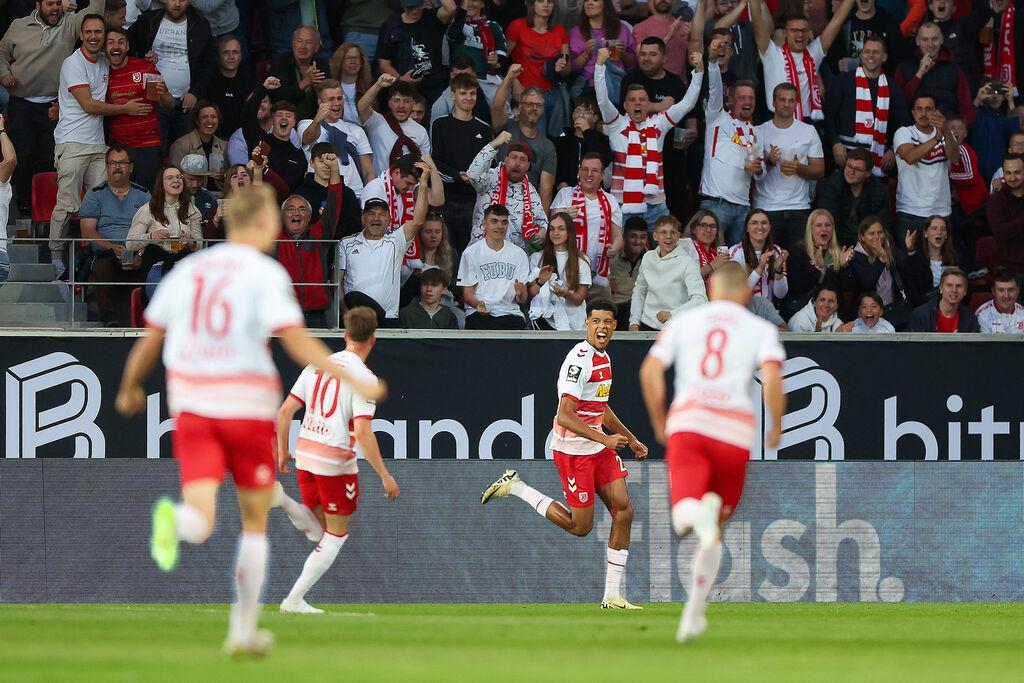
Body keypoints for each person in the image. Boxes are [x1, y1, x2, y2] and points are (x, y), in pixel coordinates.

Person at [114, 183, 386, 657]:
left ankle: (174, 522)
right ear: (262, 223)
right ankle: (242, 632)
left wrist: (129, 386)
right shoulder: (265, 273)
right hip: (245, 407)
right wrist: (357, 381)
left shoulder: (189, 270)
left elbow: (151, 338)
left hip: (195, 408)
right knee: (253, 522)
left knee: (202, 519)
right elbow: (296, 341)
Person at [639, 261, 785, 642]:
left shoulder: (685, 322)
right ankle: (694, 613)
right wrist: (776, 427)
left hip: (690, 423)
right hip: (734, 432)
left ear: (711, 287)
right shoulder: (761, 328)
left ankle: (693, 512)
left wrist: (659, 421)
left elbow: (650, 372)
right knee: (714, 529)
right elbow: (772, 379)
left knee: (682, 516)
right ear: (747, 293)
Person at [482, 299, 649, 609]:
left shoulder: (604, 357)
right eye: (596, 321)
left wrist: (630, 438)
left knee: (624, 511)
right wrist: (604, 438)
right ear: (587, 323)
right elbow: (565, 415)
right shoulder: (580, 361)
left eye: (607, 322)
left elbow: (600, 407)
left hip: (598, 449)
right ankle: (515, 486)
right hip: (574, 453)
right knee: (580, 527)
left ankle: (612, 596)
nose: (602, 326)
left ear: (614, 326)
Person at [273, 306, 400, 614]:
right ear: (374, 339)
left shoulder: (317, 365)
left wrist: (282, 450)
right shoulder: (363, 379)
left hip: (305, 454)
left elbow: (285, 412)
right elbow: (364, 433)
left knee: (321, 532)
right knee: (336, 535)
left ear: (345, 335)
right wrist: (385, 474)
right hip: (333, 461)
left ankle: (283, 501)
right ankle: (293, 601)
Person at [50, 15, 152, 278]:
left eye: (98, 32)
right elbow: (89, 105)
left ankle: (103, 255)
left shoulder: (104, 61)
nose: (94, 36)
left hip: (98, 146)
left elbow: (122, 60)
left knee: (104, 202)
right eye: (89, 32)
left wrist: (149, 60)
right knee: (67, 204)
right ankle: (56, 259)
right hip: (72, 143)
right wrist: (125, 109)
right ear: (81, 35)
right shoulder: (72, 63)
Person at [0, 0, 98, 215]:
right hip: (21, 103)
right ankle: (24, 203)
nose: (55, 8)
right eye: (50, 4)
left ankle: (44, 209)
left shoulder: (70, 23)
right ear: (38, 4)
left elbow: (94, 12)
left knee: (48, 159)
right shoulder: (18, 25)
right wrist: (4, 73)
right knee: (23, 155)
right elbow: (1, 54)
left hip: (54, 105)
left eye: (58, 3)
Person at [595, 48, 703, 231]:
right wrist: (599, 66)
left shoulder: (658, 124)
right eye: (633, 100)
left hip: (656, 206)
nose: (638, 103)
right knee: (620, 255)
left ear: (649, 104)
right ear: (625, 105)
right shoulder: (616, 124)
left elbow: (687, 104)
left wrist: (699, 72)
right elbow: (602, 101)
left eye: (642, 100)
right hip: (622, 205)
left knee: (664, 256)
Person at [339, 166, 430, 326]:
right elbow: (337, 283)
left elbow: (418, 221)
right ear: (363, 218)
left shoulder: (395, 242)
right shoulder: (346, 243)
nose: (376, 218)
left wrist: (423, 184)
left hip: (388, 319)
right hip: (355, 319)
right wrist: (344, 311)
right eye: (371, 213)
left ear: (389, 219)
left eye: (382, 214)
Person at [128, 0, 217, 154]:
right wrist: (143, 61)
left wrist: (195, 93)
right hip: (154, 99)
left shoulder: (201, 26)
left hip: (186, 102)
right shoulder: (148, 20)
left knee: (188, 156)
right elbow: (128, 48)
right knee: (155, 153)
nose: (177, 3)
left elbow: (208, 65)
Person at [696, 34, 759, 245]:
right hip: (716, 204)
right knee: (710, 258)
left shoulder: (755, 133)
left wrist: (759, 168)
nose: (747, 101)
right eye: (742, 97)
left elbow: (759, 175)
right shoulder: (717, 118)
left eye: (751, 98)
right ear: (730, 100)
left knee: (738, 264)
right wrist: (712, 62)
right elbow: (714, 89)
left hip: (743, 208)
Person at [79, 146, 151, 326]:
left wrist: (140, 254)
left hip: (137, 249)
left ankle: (149, 320)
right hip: (106, 250)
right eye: (113, 163)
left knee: (154, 266)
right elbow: (87, 231)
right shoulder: (95, 194)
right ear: (106, 167)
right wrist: (111, 247)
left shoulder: (143, 195)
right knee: (101, 268)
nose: (117, 167)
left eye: (122, 163)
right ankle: (109, 321)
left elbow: (153, 228)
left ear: (131, 167)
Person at [750, 0, 855, 121]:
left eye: (804, 30)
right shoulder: (772, 54)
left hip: (806, 124)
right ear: (785, 33)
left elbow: (837, 21)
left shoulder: (814, 52)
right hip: (776, 122)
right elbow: (758, 23)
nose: (800, 35)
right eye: (795, 30)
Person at [823, 34, 908, 178]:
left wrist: (894, 150)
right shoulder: (843, 81)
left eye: (876, 52)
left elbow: (904, 122)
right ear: (861, 55)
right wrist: (835, 143)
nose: (871, 56)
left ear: (884, 57)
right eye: (867, 51)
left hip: (878, 157)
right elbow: (828, 114)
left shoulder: (892, 86)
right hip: (845, 155)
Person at [752, 83, 824, 249]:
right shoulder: (758, 131)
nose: (786, 104)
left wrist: (798, 168)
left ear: (796, 103)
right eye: (782, 99)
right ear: (773, 102)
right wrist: (769, 161)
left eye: (791, 100)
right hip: (766, 206)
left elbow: (820, 170)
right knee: (767, 260)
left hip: (799, 207)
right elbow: (751, 170)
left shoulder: (808, 131)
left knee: (798, 262)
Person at [429, 71, 494, 253]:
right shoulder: (440, 124)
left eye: (472, 93)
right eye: (463, 93)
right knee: (445, 253)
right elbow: (435, 162)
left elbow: (491, 166)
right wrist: (457, 175)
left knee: (471, 251)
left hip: (475, 201)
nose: (468, 98)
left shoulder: (484, 128)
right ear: (453, 95)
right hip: (446, 199)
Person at [105, 26, 171, 192]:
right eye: (110, 42)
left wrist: (162, 95)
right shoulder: (100, 72)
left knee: (150, 197)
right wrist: (126, 109)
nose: (116, 46)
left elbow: (168, 104)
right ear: (104, 47)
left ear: (127, 46)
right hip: (117, 147)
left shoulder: (144, 68)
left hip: (146, 146)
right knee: (118, 195)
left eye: (121, 42)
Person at [550, 153, 623, 297]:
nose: (589, 174)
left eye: (594, 171)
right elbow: (552, 223)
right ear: (579, 172)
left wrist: (614, 248)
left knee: (600, 316)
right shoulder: (566, 194)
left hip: (598, 274)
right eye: (585, 169)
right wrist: (565, 215)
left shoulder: (611, 200)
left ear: (602, 175)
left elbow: (618, 236)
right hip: (568, 272)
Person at [126, 165, 203, 295]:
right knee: (162, 291)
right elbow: (130, 244)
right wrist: (151, 236)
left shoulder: (193, 210)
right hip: (157, 261)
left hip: (184, 262)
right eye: (170, 178)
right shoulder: (147, 210)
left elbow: (199, 244)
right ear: (161, 184)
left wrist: (189, 242)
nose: (176, 180)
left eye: (179, 177)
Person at [893, 94, 959, 242]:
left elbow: (954, 158)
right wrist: (936, 138)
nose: (923, 113)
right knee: (910, 261)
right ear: (913, 112)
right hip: (911, 210)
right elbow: (910, 157)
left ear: (936, 112)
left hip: (941, 210)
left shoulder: (946, 134)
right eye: (919, 109)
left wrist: (946, 131)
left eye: (928, 109)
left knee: (943, 261)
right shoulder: (904, 132)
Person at [491, 66, 558, 211]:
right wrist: (509, 77)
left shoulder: (548, 146)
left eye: (538, 105)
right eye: (529, 104)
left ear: (543, 109)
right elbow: (497, 107)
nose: (534, 108)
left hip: (526, 208)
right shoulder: (505, 127)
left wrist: (542, 226)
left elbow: (545, 190)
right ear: (520, 107)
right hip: (497, 200)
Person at [466, 132, 548, 248]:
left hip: (513, 257)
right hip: (480, 250)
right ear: (506, 159)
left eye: (523, 159)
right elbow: (472, 175)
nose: (517, 163)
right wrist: (493, 145)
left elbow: (542, 221)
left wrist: (542, 231)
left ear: (528, 166)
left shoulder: (531, 191)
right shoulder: (490, 177)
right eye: (514, 157)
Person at [457, 203, 532, 329]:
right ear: (484, 223)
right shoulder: (470, 253)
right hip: (479, 313)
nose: (500, 226)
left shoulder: (519, 254)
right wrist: (478, 305)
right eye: (494, 221)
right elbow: (467, 294)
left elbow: (522, 300)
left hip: (510, 313)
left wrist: (520, 293)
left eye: (504, 222)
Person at [297, 79, 374, 199]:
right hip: (321, 192)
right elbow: (308, 138)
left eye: (339, 98)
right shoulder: (306, 124)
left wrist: (369, 197)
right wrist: (318, 119)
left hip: (354, 193)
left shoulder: (356, 130)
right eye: (331, 99)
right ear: (319, 101)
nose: (337, 103)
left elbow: (368, 171)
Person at [629, 215, 708, 330]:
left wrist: (673, 314)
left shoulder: (688, 263)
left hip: (676, 328)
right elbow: (639, 291)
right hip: (647, 325)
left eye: (673, 232)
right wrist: (634, 321)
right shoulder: (648, 257)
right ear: (655, 236)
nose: (668, 236)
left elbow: (700, 299)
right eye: (663, 232)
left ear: (678, 236)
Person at [894, 21, 975, 125]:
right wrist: (919, 74)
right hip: (914, 132)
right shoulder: (904, 68)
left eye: (935, 39)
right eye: (925, 40)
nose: (930, 44)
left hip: (947, 130)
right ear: (917, 41)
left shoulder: (954, 69)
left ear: (941, 40)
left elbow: (966, 107)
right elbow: (900, 105)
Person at [376, 0, 454, 106]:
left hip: (433, 86)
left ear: (423, 3)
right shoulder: (390, 25)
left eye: (417, 6)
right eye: (409, 7)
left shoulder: (433, 17)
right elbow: (384, 63)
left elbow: (451, 8)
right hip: (404, 89)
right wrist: (401, 79)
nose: (413, 11)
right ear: (403, 6)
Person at [782, 208, 855, 318]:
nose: (824, 229)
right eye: (819, 225)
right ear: (810, 229)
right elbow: (799, 287)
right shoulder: (798, 252)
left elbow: (845, 289)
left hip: (833, 314)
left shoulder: (840, 253)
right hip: (804, 312)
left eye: (828, 225)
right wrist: (819, 270)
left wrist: (843, 267)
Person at [813, 147, 892, 247]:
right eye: (849, 166)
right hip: (835, 239)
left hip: (866, 241)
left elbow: (882, 222)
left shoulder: (878, 188)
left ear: (868, 173)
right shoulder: (833, 184)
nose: (851, 172)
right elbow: (829, 220)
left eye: (857, 169)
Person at [526, 212, 593, 330]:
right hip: (543, 323)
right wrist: (540, 282)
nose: (555, 233)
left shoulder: (582, 260)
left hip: (574, 326)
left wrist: (566, 294)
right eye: (551, 229)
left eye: (561, 229)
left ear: (570, 232)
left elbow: (579, 299)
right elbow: (529, 294)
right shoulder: (536, 258)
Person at [357, 73, 432, 175]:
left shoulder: (421, 131)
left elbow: (426, 165)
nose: (401, 105)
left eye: (406, 101)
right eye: (396, 100)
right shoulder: (376, 121)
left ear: (413, 103)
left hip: (410, 187)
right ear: (389, 102)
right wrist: (378, 85)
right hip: (381, 186)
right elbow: (361, 107)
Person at [242, 79, 309, 191]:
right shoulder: (260, 140)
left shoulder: (299, 155)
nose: (284, 118)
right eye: (279, 115)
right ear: (272, 120)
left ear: (294, 122)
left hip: (288, 206)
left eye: (288, 115)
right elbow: (247, 115)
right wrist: (263, 89)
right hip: (262, 203)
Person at [850, 216, 912, 327]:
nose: (877, 237)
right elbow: (866, 284)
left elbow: (909, 272)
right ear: (862, 237)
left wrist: (910, 250)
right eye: (871, 233)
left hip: (893, 313)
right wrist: (881, 260)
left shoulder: (891, 251)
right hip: (866, 317)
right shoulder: (855, 257)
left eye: (880, 233)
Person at [446, 0, 508, 104]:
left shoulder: (493, 26)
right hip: (459, 82)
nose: (470, 4)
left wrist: (496, 61)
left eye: (474, 0)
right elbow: (453, 34)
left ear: (482, 3)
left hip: (486, 80)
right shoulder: (456, 24)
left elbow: (502, 58)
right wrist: (463, 10)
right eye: (466, 1)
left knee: (499, 106)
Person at [293, 142, 362, 236]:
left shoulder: (347, 194)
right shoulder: (300, 194)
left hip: (342, 247)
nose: (326, 165)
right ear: (312, 163)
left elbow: (355, 227)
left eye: (331, 161)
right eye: (321, 161)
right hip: (310, 248)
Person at [506, 0, 571, 95]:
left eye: (550, 1)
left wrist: (561, 67)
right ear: (532, 4)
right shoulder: (517, 26)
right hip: (523, 91)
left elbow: (567, 71)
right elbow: (502, 59)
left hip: (551, 92)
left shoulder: (560, 31)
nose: (546, 4)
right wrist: (514, 81)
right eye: (541, 1)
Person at [267, 26, 331, 122]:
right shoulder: (280, 63)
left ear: (316, 47)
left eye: (308, 42)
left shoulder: (322, 66)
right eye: (299, 41)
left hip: (317, 121)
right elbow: (278, 97)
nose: (303, 46)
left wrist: (318, 89)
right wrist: (306, 82)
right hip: (285, 121)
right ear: (293, 44)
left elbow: (329, 99)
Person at [551, 95, 613, 191]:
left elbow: (604, 160)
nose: (581, 115)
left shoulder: (602, 139)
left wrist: (587, 132)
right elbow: (553, 167)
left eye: (586, 112)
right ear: (573, 115)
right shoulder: (561, 140)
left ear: (595, 118)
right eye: (578, 111)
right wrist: (559, 181)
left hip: (593, 193)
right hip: (566, 194)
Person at [569, 0, 636, 88]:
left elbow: (633, 64)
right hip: (588, 87)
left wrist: (623, 54)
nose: (589, 3)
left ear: (606, 3)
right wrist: (586, 54)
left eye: (595, 0)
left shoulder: (621, 28)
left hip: (615, 85)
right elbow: (571, 68)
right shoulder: (576, 32)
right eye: (586, 0)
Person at [823, 0, 904, 74]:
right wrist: (838, 65)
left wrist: (859, 64)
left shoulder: (888, 23)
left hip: (879, 84)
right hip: (850, 85)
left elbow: (898, 59)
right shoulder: (844, 24)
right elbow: (831, 59)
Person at [729, 210, 789, 305]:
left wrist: (778, 270)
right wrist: (760, 268)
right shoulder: (735, 252)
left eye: (764, 223)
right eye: (754, 223)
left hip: (768, 310)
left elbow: (780, 294)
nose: (760, 227)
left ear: (769, 227)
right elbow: (738, 292)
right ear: (747, 228)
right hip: (744, 309)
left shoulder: (777, 251)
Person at [168, 101, 229, 190]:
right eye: (204, 117)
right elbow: (174, 177)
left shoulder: (225, 146)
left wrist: (224, 176)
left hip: (220, 195)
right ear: (197, 120)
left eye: (213, 117)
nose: (210, 121)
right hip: (191, 195)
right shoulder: (181, 145)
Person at [902, 214, 958, 305]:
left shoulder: (955, 258)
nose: (939, 232)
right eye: (934, 228)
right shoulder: (917, 260)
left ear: (946, 235)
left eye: (943, 229)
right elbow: (912, 292)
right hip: (925, 309)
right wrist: (911, 251)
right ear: (925, 233)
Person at [987, 154, 1024, 284]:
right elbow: (1001, 232)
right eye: (1008, 173)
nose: (1012, 178)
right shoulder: (995, 201)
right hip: (1009, 269)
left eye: (1017, 172)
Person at [907, 267, 980, 332]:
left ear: (965, 291)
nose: (954, 290)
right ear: (941, 288)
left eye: (959, 286)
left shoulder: (970, 319)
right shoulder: (920, 315)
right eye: (949, 285)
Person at [633, 0, 690, 79]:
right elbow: (640, 56)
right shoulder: (640, 27)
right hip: (650, 84)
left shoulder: (684, 26)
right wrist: (668, 36)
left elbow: (694, 57)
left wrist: (691, 37)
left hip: (680, 84)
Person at [208, 35, 251, 137]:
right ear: (218, 56)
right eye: (226, 52)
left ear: (240, 56)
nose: (231, 56)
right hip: (214, 140)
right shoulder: (208, 83)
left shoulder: (248, 83)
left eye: (235, 52)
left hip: (242, 140)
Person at [608, 216, 647, 328]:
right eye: (633, 237)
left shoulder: (650, 259)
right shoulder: (612, 257)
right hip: (615, 310)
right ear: (624, 237)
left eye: (643, 237)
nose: (638, 242)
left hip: (639, 310)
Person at [329, 42, 372, 126]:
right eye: (348, 58)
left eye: (356, 58)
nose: (353, 62)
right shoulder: (329, 87)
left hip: (364, 132)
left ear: (362, 62)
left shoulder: (368, 88)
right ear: (340, 61)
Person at [682, 209, 730, 283]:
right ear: (693, 229)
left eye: (713, 226)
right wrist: (711, 267)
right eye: (703, 225)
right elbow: (685, 280)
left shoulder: (716, 254)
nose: (708, 230)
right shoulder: (686, 246)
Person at [976, 269, 1024, 333]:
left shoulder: (1022, 313)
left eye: (1011, 290)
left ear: (1018, 290)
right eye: (1001, 290)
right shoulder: (982, 314)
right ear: (993, 291)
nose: (1006, 296)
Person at [180, 154, 220, 225]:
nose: (195, 185)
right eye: (191, 179)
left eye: (199, 180)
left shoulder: (210, 198)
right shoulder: (170, 197)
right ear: (181, 175)